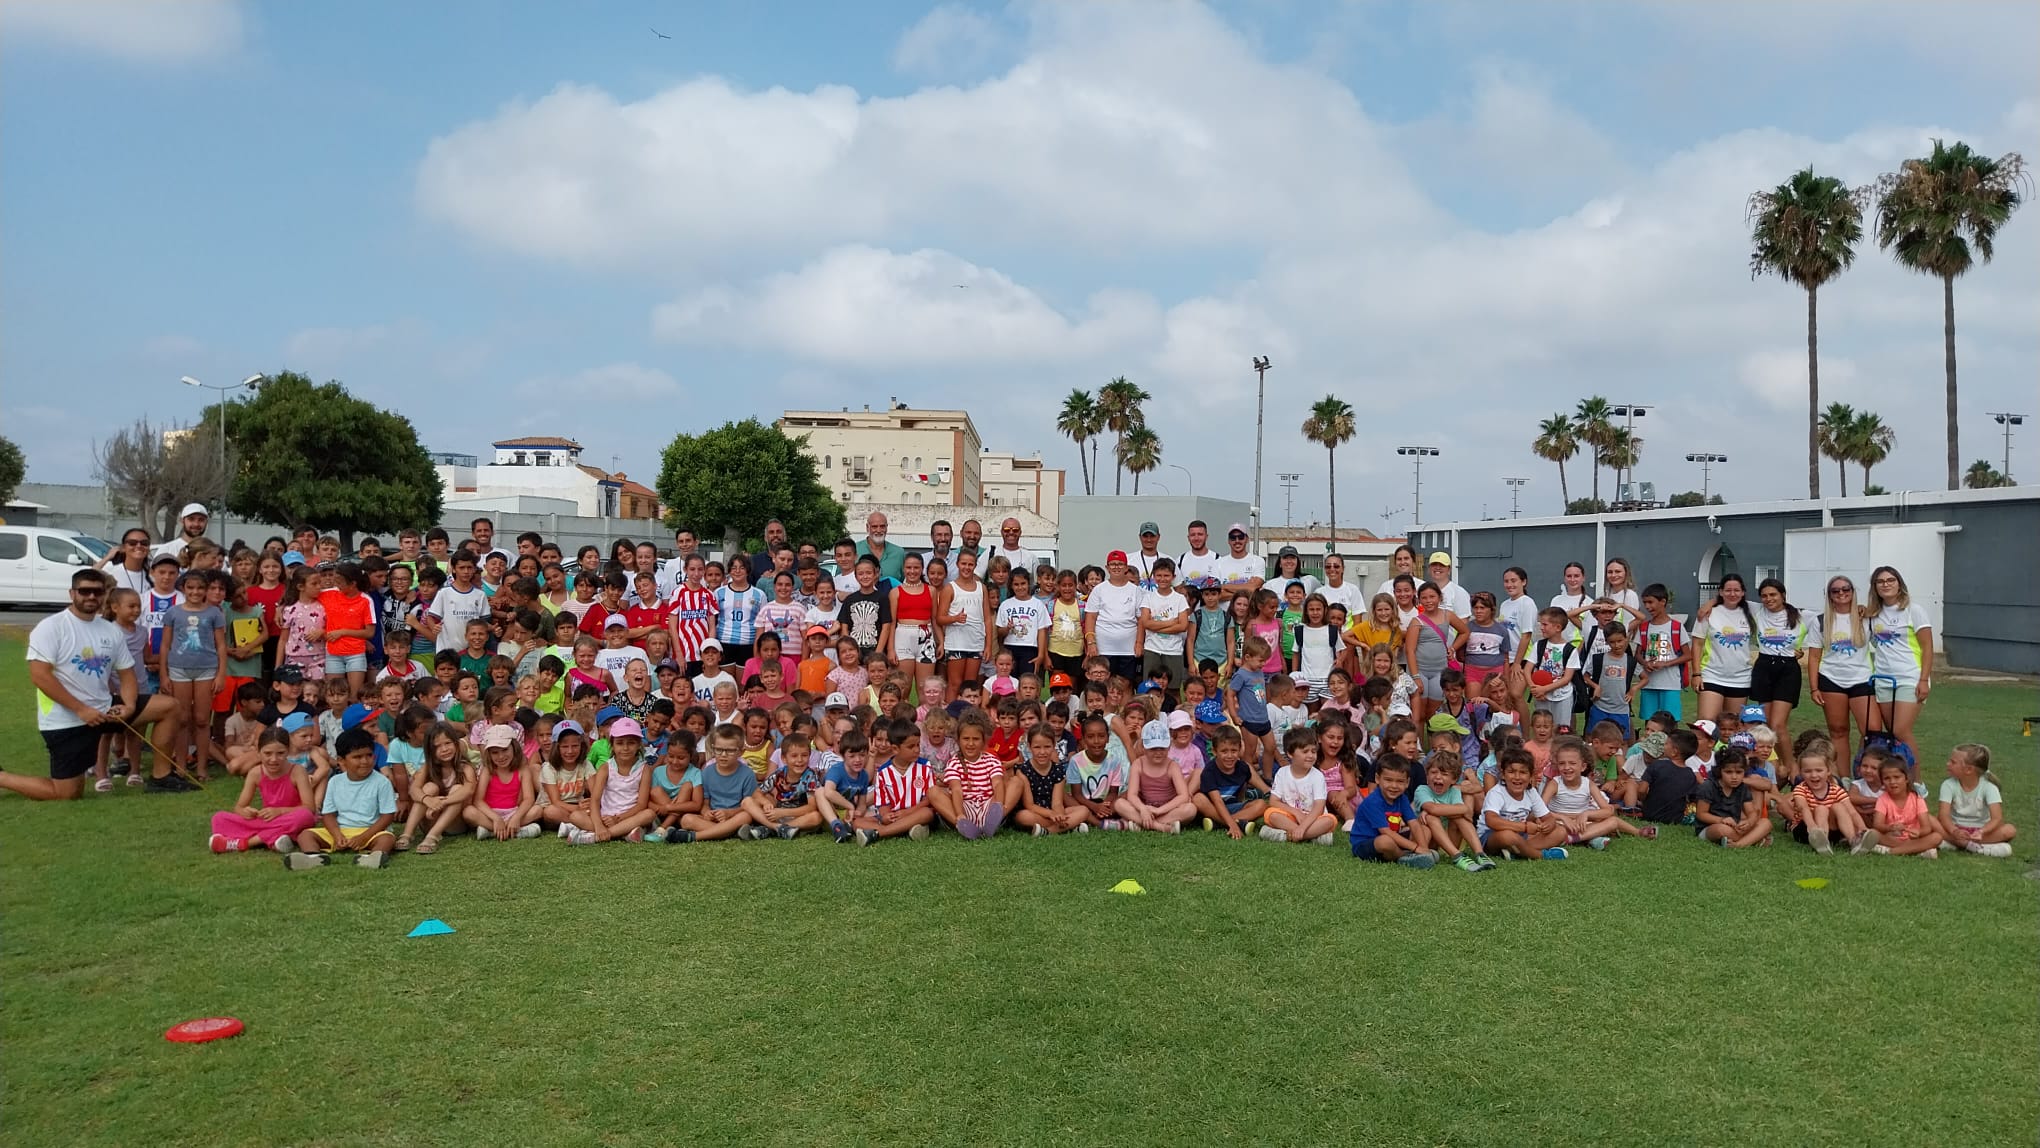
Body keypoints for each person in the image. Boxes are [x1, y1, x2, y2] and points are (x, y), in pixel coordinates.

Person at [290, 726, 398, 869]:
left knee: (387, 839)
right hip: (341, 830)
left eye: (369, 755)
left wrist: (364, 837)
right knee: (305, 835)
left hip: (371, 831)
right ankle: (313, 857)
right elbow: (328, 814)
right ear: (341, 761)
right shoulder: (335, 781)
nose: (365, 761)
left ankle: (372, 857)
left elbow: (387, 816)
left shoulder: (382, 782)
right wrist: (337, 835)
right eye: (357, 757)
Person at [208, 727, 319, 853]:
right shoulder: (255, 773)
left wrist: (280, 811)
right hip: (268, 820)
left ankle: (245, 843)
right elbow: (239, 807)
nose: (273, 759)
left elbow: (309, 808)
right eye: (267, 754)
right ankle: (275, 838)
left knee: (305, 816)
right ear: (259, 753)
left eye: (280, 753)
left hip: (290, 818)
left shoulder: (297, 771)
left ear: (288, 751)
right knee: (219, 818)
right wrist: (245, 812)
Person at [1864, 565, 1934, 763]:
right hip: (1883, 679)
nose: (1885, 584)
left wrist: (1923, 680)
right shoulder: (1872, 614)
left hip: (1910, 677)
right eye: (1880, 581)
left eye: (1890, 580)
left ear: (1899, 584)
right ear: (1875, 587)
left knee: (1901, 731)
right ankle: (1897, 776)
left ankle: (1916, 778)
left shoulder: (1914, 610)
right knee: (1892, 735)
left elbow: (1927, 647)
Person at [1806, 575, 1872, 767]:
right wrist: (1814, 688)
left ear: (1853, 591)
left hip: (1862, 679)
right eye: (1835, 590)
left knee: (1871, 731)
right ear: (1829, 595)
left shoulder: (1866, 618)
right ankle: (1844, 778)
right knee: (1838, 731)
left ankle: (1862, 772)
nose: (1841, 593)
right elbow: (1814, 657)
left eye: (1845, 589)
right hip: (1831, 680)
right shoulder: (1820, 621)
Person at [672, 724, 761, 843]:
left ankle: (696, 836)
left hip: (734, 817)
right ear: (713, 748)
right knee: (686, 819)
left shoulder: (747, 774)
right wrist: (706, 812)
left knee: (746, 816)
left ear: (741, 752)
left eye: (730, 751)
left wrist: (729, 813)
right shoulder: (707, 772)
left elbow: (750, 805)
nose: (723, 755)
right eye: (719, 750)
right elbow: (704, 803)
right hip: (713, 818)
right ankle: (730, 833)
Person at [854, 719, 937, 844]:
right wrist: (886, 816)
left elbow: (928, 800)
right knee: (857, 822)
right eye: (911, 746)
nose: (916, 750)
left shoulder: (925, 766)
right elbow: (883, 803)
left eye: (918, 745)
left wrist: (907, 812)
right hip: (895, 816)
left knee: (927, 813)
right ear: (895, 749)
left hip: (915, 812)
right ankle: (906, 829)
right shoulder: (883, 772)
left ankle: (879, 833)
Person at [1480, 749, 1570, 860]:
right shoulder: (1496, 792)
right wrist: (1525, 827)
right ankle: (1541, 855)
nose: (1517, 777)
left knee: (1560, 831)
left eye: (1523, 772)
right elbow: (1491, 821)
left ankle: (1516, 851)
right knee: (1508, 836)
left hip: (1520, 836)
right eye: (1511, 772)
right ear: (1503, 774)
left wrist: (1548, 825)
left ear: (1531, 776)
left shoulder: (1531, 792)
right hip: (1491, 837)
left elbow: (1548, 817)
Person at [1348, 753, 1434, 867]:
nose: (1394, 786)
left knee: (1425, 829)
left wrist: (1424, 849)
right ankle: (1403, 857)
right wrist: (1416, 847)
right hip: (1367, 844)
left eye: (1400, 781)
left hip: (1393, 838)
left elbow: (1413, 823)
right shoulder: (1373, 801)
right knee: (1385, 841)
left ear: (1407, 783)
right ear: (1377, 779)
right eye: (1388, 780)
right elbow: (1385, 832)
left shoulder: (1402, 798)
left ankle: (1421, 856)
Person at [1693, 574, 1757, 725]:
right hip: (1712, 675)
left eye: (1737, 590)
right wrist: (1696, 674)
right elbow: (1697, 644)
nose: (1732, 594)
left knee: (1732, 726)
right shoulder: (1709, 613)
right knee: (1706, 723)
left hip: (1741, 678)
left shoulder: (1753, 611)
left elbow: (1775, 611)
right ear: (1720, 592)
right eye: (1728, 590)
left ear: (1743, 592)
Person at [1749, 578, 1810, 735]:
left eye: (1773, 594)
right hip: (1764, 667)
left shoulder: (1802, 616)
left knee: (1777, 725)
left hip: (1788, 670)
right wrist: (1709, 604)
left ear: (1783, 595)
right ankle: (1770, 752)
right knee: (1766, 725)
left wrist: (1859, 608)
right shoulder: (1757, 610)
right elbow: (1730, 597)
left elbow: (1830, 615)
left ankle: (1787, 754)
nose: (1768, 599)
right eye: (1764, 596)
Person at [1414, 752, 1493, 871]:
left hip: (1447, 841)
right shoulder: (1422, 790)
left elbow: (1465, 812)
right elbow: (1433, 809)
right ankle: (1457, 856)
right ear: (1427, 776)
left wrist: (1460, 809)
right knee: (1431, 817)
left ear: (1454, 779)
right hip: (1425, 843)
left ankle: (1480, 854)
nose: (1438, 777)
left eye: (1444, 774)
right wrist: (1434, 810)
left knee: (1459, 818)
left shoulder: (1454, 791)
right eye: (1434, 772)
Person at [1935, 743, 2015, 857]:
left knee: (2009, 830)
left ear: (1968, 769)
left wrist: (1982, 831)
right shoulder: (1948, 785)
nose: (1948, 764)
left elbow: (1997, 818)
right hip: (1955, 829)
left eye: (1953, 762)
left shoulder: (1989, 788)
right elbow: (1943, 815)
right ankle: (1977, 847)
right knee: (1929, 820)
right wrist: (1954, 831)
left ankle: (1953, 844)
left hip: (1980, 833)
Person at [1117, 719, 1197, 833]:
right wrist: (1143, 809)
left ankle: (1143, 823)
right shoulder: (1138, 764)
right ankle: (1160, 826)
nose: (1158, 752)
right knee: (1119, 804)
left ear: (1169, 747)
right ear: (1144, 748)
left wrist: (1159, 811)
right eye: (1153, 749)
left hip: (1168, 809)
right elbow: (1132, 795)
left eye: (1162, 748)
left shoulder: (1172, 766)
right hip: (1145, 807)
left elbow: (1183, 796)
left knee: (1190, 809)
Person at [1262, 726, 1336, 845]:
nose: (1311, 755)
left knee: (1330, 820)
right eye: (1305, 751)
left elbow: (1319, 807)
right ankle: (1313, 837)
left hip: (1313, 819)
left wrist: (1303, 827)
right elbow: (1273, 801)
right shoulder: (1282, 773)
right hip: (1291, 817)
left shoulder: (1317, 776)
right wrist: (1296, 813)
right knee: (1271, 814)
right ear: (1290, 753)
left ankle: (1286, 835)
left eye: (1313, 751)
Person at [935, 548, 993, 695]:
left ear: (975, 566)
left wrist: (988, 646)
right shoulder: (950, 588)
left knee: (970, 685)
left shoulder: (981, 588)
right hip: (956, 643)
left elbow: (987, 619)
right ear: (958, 564)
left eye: (970, 564)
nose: (967, 567)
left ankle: (968, 710)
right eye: (964, 564)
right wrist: (955, 618)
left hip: (976, 643)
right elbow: (940, 618)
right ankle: (951, 710)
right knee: (955, 684)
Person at [1863, 758, 1943, 858]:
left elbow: (1926, 827)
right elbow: (1877, 825)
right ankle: (1917, 851)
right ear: (1882, 782)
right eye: (1887, 778)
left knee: (1937, 837)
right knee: (1874, 833)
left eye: (1897, 777)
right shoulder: (1882, 800)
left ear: (1906, 778)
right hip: (1893, 839)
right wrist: (1890, 827)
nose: (1892, 782)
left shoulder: (1917, 799)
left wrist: (1919, 832)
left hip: (1913, 839)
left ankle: (1890, 852)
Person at [1082, 550, 1143, 682]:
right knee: (1104, 683)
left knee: (1125, 684)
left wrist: (1139, 643)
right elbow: (1090, 618)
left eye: (1120, 564)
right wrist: (1091, 642)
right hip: (1104, 648)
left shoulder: (1136, 591)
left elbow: (1141, 620)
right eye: (1113, 564)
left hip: (1128, 648)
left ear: (1126, 567)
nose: (1116, 567)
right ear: (1107, 567)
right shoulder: (1099, 590)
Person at [1634, 583, 1691, 722]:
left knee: (1670, 721)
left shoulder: (1676, 627)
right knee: (1650, 721)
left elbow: (1688, 655)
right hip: (1649, 683)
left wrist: (1666, 664)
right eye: (1645, 603)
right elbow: (1637, 654)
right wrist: (1645, 663)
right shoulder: (1644, 627)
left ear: (1663, 602)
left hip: (1670, 684)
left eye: (1650, 602)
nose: (1647, 606)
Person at [1209, 524, 1263, 601]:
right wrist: (1246, 589)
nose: (1237, 541)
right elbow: (1213, 595)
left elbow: (1253, 588)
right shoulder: (1217, 564)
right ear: (1228, 541)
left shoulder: (1258, 561)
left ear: (1247, 539)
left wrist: (1223, 586)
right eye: (1233, 538)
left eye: (1240, 537)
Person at [857, 511, 908, 584]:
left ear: (887, 527)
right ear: (867, 527)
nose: (878, 530)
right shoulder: (855, 550)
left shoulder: (898, 553)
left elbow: (905, 581)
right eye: (874, 527)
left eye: (882, 526)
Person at [1424, 552, 1472, 619]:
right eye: (1434, 564)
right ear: (1429, 569)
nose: (1438, 568)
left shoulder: (1459, 592)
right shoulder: (1421, 589)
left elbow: (1464, 621)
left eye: (1442, 565)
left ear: (1449, 569)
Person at [1175, 520, 1218, 585]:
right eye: (1193, 535)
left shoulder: (1217, 559)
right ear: (1188, 538)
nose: (1196, 538)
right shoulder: (1180, 561)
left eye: (1200, 534)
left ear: (1206, 536)